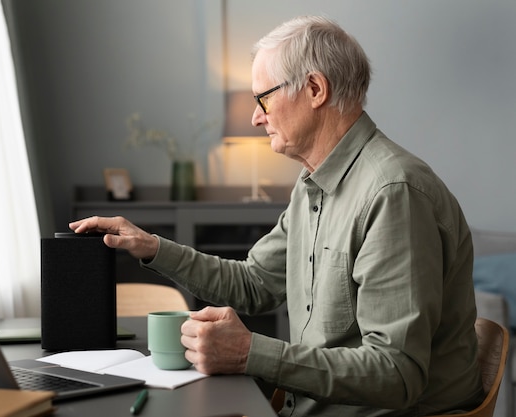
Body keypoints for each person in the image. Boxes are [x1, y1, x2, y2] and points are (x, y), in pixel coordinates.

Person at [70, 15, 484, 416]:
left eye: (263, 98)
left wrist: (250, 352)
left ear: (315, 89)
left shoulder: (393, 194)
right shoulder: (313, 184)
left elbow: (396, 374)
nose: (255, 116)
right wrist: (152, 247)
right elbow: (254, 283)